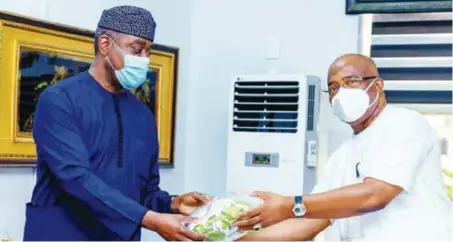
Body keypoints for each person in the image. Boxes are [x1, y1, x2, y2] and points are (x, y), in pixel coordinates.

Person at [23, 5, 208, 241]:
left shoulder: (142, 114)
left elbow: (145, 192)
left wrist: (173, 203)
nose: (144, 60)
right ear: (105, 45)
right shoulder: (60, 100)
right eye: (136, 49)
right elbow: (75, 178)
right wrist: (152, 220)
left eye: (148, 52)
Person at [234, 54, 453, 241]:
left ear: (377, 85)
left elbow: (375, 195)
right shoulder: (341, 157)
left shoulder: (404, 123)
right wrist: (220, 234)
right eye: (333, 87)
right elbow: (306, 223)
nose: (341, 93)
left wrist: (292, 204)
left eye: (351, 82)